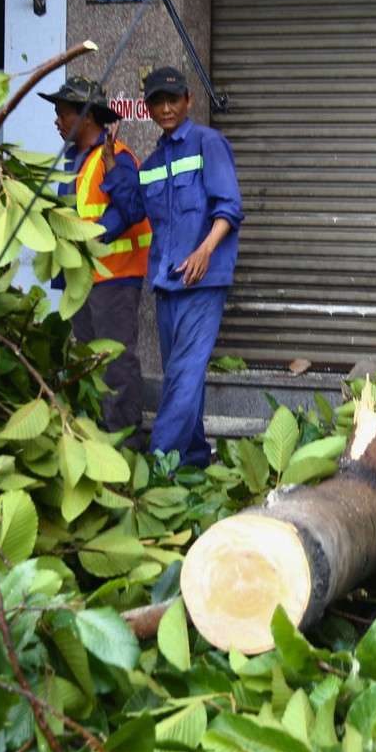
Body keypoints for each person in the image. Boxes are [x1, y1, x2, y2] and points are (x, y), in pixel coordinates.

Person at [99, 67, 243, 468]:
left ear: (188, 101)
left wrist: (205, 251)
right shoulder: (151, 163)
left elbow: (230, 207)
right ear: (147, 109)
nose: (166, 109)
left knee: (181, 375)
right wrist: (110, 160)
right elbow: (132, 209)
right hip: (167, 285)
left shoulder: (208, 143)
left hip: (203, 281)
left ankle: (159, 465)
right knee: (183, 377)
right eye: (157, 102)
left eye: (173, 100)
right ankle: (193, 458)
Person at [38, 76, 153, 446]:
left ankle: (126, 445)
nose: (57, 121)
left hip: (113, 278)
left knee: (114, 361)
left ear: (86, 117)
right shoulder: (74, 159)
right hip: (83, 278)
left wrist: (93, 236)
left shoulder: (115, 156)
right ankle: (102, 441)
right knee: (91, 362)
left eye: (63, 113)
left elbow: (132, 208)